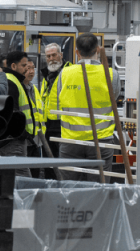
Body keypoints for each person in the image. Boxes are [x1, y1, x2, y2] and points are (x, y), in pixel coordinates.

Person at [45, 33, 119, 181]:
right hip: (101, 140)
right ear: (98, 50)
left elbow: (59, 99)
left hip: (71, 141)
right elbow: (114, 98)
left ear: (77, 52)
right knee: (98, 187)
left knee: (69, 188)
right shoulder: (111, 74)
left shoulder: (65, 74)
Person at [37, 43, 69, 156]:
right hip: (47, 125)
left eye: (54, 55)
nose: (51, 59)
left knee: (62, 159)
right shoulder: (47, 75)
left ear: (61, 55)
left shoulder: (68, 72)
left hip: (63, 124)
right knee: (49, 161)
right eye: (48, 56)